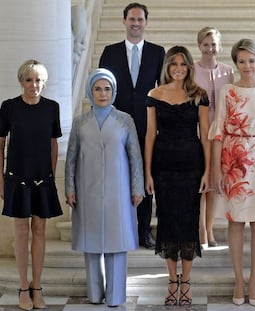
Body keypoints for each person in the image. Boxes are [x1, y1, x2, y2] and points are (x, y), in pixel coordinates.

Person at [209, 38, 255, 307]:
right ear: (236, 63)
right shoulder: (227, 90)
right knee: (236, 221)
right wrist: (217, 168)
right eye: (242, 61)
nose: (247, 65)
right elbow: (217, 131)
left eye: (252, 60)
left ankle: (254, 282)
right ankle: (239, 280)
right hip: (234, 158)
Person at [65, 68, 145, 307]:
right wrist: (70, 187)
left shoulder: (125, 119)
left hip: (119, 191)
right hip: (86, 189)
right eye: (97, 89)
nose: (102, 93)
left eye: (107, 89)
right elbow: (70, 158)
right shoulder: (80, 122)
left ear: (114, 91)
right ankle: (94, 294)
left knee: (116, 243)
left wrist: (137, 187)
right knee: (91, 245)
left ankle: (116, 296)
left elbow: (135, 157)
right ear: (90, 91)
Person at [145, 46, 210, 306]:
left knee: (188, 223)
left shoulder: (199, 95)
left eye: (183, 64)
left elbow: (205, 135)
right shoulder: (154, 94)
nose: (178, 69)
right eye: (174, 64)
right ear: (167, 66)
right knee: (168, 222)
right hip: (163, 167)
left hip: (192, 166)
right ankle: (173, 280)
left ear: (190, 67)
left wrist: (208, 171)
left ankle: (188, 281)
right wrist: (148, 173)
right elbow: (150, 135)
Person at [99, 2, 165, 249]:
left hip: (148, 125)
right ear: (124, 21)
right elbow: (104, 89)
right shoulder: (110, 51)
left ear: (146, 22)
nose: (136, 24)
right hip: (118, 124)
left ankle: (144, 230)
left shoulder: (158, 52)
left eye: (140, 20)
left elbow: (162, 89)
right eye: (132, 19)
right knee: (118, 176)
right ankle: (119, 228)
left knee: (147, 176)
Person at [0, 59, 63, 310]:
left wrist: (51, 176)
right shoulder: (9, 107)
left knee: (39, 230)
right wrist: (1, 180)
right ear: (21, 81)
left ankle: (37, 287)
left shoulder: (52, 108)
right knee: (21, 231)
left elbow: (53, 144)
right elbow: (0, 145)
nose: (33, 85)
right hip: (16, 176)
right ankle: (23, 288)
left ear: (44, 83)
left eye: (38, 80)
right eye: (29, 79)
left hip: (43, 178)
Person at [194, 26, 234, 248]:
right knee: (201, 181)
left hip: (221, 133)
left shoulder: (227, 71)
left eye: (213, 44)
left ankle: (209, 229)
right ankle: (200, 229)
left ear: (219, 46)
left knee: (214, 184)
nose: (210, 48)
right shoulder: (192, 69)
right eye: (206, 44)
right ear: (199, 45)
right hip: (198, 131)